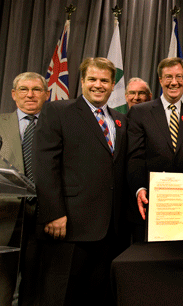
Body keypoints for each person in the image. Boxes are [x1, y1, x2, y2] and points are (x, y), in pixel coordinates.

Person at [33, 57, 128, 305]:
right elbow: (45, 165)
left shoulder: (121, 120)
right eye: (93, 79)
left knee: (96, 298)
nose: (98, 85)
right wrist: (53, 212)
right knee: (60, 296)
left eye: (104, 80)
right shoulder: (57, 111)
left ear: (112, 85)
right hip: (69, 226)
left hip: (109, 230)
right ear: (83, 81)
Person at [127, 57, 183, 241]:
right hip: (150, 203)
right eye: (168, 77)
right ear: (160, 80)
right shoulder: (140, 112)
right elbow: (135, 156)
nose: (174, 82)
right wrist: (139, 188)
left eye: (179, 77)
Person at [0, 72, 49, 305]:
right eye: (23, 89)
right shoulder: (0, 123)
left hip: (43, 217)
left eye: (37, 89)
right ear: (13, 94)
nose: (30, 95)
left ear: (47, 94)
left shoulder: (56, 126)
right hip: (5, 217)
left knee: (35, 285)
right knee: (2, 285)